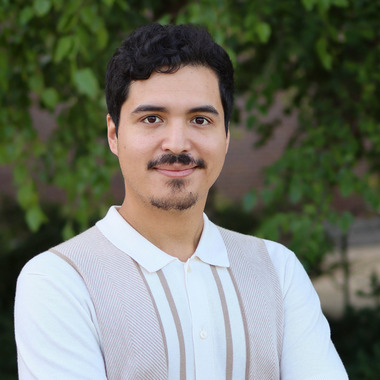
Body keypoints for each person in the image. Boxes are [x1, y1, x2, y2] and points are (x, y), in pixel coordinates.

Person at [14, 23, 348, 379]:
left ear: (226, 137)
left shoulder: (278, 271)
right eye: (152, 118)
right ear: (114, 134)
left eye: (200, 119)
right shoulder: (60, 282)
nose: (176, 143)